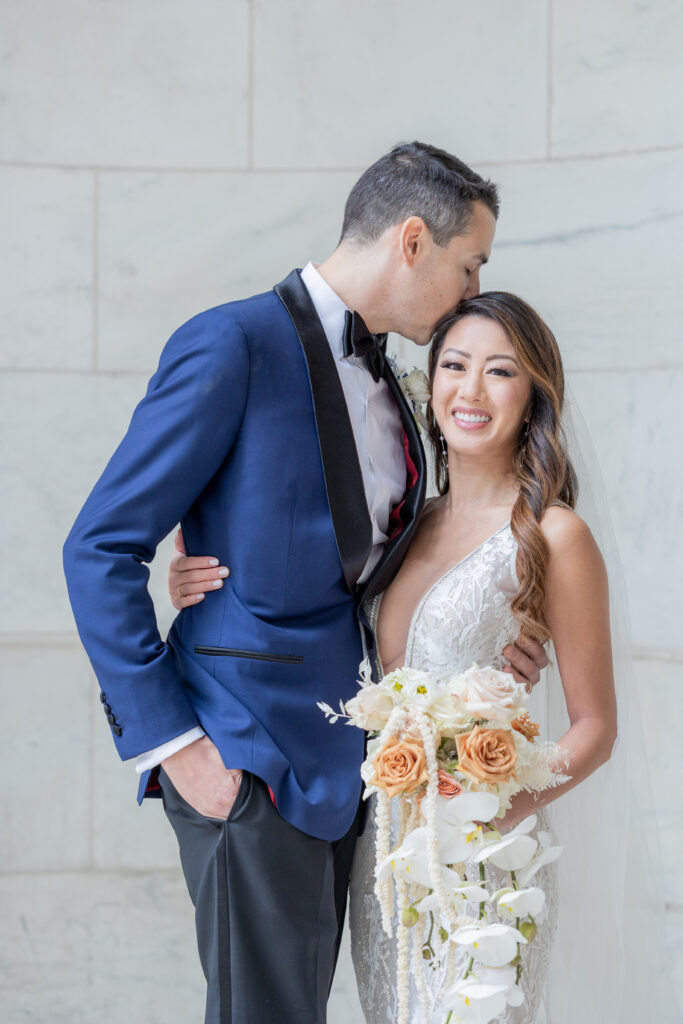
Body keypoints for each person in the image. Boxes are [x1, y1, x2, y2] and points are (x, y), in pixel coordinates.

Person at [62, 141, 549, 1024]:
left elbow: (362, 567)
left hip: (353, 773)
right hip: (246, 758)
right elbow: (97, 546)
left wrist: (482, 642)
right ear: (412, 241)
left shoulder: (394, 379)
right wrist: (178, 748)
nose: (472, 285)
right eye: (469, 260)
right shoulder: (231, 343)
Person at [177, 291, 619, 1024]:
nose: (470, 390)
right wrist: (192, 572)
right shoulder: (403, 522)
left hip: (483, 859)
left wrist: (488, 812)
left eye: (499, 371)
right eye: (453, 364)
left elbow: (593, 729)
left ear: (533, 396)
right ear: (429, 380)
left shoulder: (552, 534)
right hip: (380, 854)